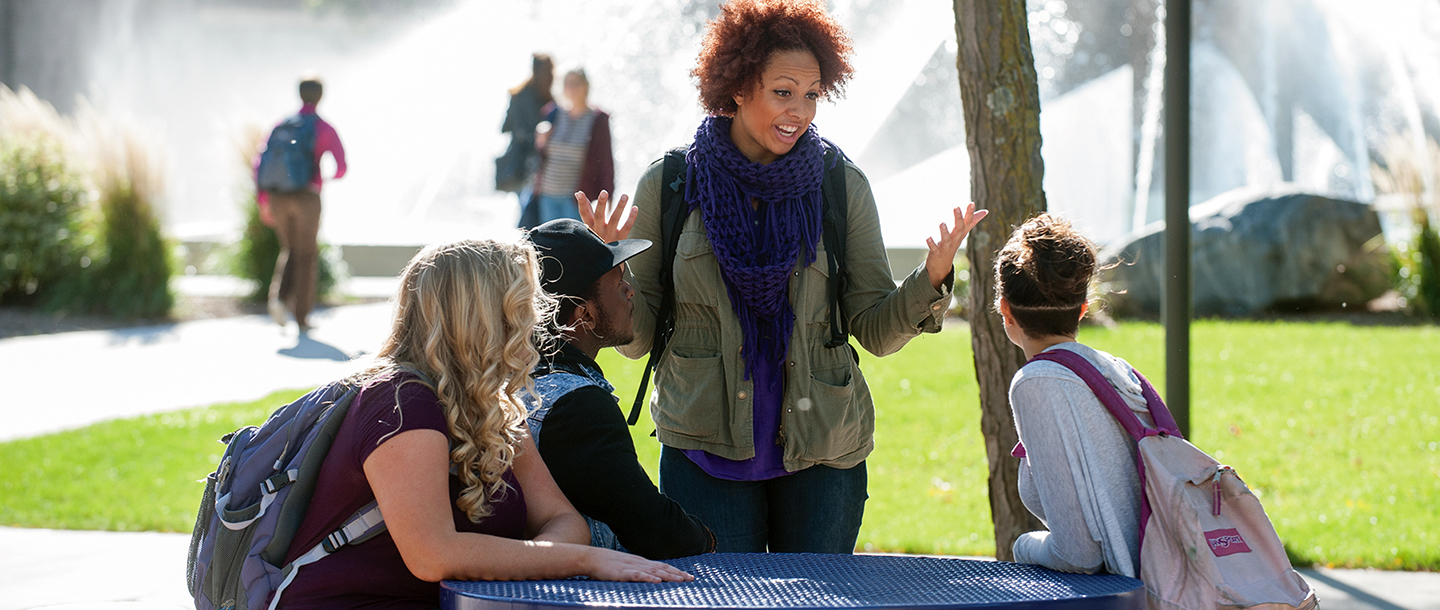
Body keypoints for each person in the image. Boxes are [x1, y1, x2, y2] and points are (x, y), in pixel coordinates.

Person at [577, 0, 986, 554]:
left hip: (824, 453)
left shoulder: (841, 185)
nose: (800, 110)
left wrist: (931, 279)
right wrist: (609, 265)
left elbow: (875, 330)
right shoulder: (672, 183)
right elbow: (639, 340)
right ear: (740, 86)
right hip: (705, 450)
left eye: (813, 93)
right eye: (783, 91)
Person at [276, 239, 692, 610]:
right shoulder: (401, 400)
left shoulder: (495, 402)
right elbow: (433, 554)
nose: (536, 321)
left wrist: (531, 557)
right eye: (523, 306)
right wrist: (580, 560)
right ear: (478, 315)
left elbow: (566, 522)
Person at [521, 219, 715, 560]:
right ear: (585, 315)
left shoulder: (512, 378)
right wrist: (708, 540)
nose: (630, 289)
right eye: (618, 281)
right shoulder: (577, 408)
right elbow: (654, 528)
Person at [995, 213, 1149, 577]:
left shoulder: (1038, 382)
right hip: (1163, 577)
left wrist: (1021, 546)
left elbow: (1078, 555)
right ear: (1082, 310)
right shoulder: (1115, 369)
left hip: (1119, 594)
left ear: (1004, 311)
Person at [257, 76, 346, 332]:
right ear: (320, 96)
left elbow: (259, 162)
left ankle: (278, 299)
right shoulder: (323, 128)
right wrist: (324, 178)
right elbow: (341, 166)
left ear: (299, 94)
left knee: (290, 249)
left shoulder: (282, 124)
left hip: (277, 197)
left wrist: (264, 200)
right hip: (307, 195)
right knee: (306, 254)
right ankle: (302, 317)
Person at [529, 68, 615, 226]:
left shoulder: (598, 119)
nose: (571, 88)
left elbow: (605, 160)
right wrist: (540, 138)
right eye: (567, 83)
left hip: (577, 197)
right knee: (549, 247)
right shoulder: (553, 112)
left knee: (573, 246)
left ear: (586, 86)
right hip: (547, 193)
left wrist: (608, 194)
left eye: (576, 83)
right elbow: (540, 151)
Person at [499, 54, 555, 216]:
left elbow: (505, 127)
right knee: (529, 211)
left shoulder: (519, 95)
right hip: (530, 163)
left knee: (528, 209)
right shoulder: (542, 97)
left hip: (523, 163)